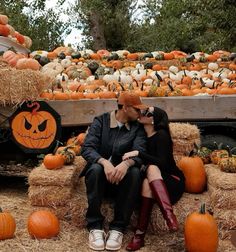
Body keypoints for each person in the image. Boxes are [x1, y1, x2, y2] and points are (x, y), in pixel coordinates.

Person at [80, 92, 148, 251]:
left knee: (135, 172)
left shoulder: (137, 128)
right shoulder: (101, 121)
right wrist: (104, 162)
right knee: (95, 168)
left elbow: (141, 151)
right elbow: (87, 148)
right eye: (137, 110)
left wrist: (127, 164)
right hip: (100, 180)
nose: (140, 114)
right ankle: (94, 226)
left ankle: (118, 228)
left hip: (123, 183)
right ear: (125, 107)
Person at [124, 106, 185, 251]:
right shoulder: (141, 135)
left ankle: (169, 217)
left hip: (172, 180)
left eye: (147, 112)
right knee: (146, 182)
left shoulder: (162, 135)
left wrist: (138, 153)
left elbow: (162, 163)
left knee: (152, 168)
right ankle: (139, 236)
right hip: (153, 181)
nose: (142, 113)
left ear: (153, 120)